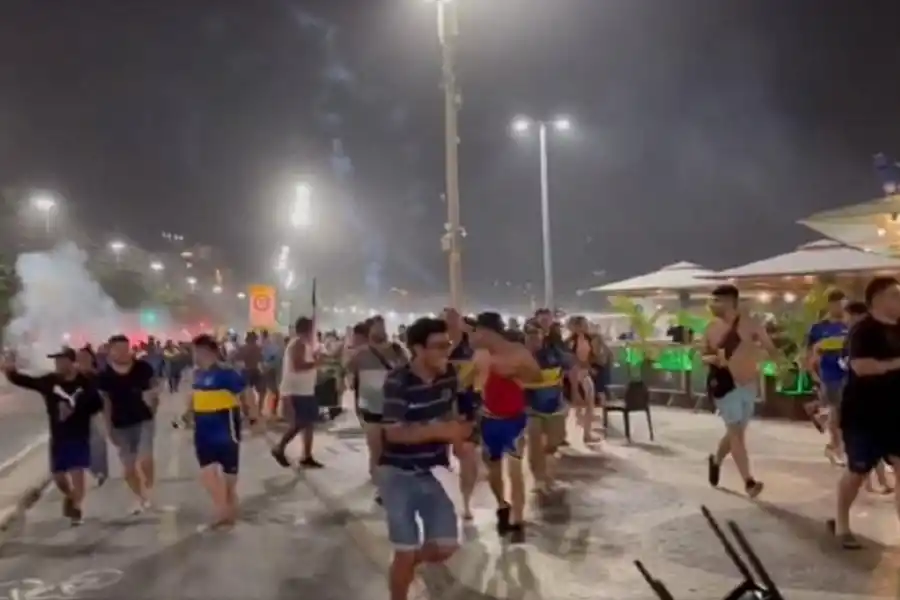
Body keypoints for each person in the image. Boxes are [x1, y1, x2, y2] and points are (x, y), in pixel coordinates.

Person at [378, 317, 470, 600]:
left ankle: (406, 563)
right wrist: (439, 431)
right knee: (404, 553)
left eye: (448, 345)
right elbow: (393, 433)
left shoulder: (449, 376)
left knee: (446, 546)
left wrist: (459, 440)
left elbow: (453, 415)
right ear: (418, 349)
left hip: (435, 472)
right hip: (398, 474)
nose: (445, 351)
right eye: (439, 346)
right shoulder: (398, 380)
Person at [829, 277, 900, 549]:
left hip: (897, 414)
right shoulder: (863, 331)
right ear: (878, 299)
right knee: (857, 472)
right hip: (864, 415)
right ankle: (842, 522)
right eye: (895, 294)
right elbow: (861, 367)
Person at [4, 348, 101, 526]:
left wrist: (78, 408)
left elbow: (97, 404)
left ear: (72, 362)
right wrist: (10, 371)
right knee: (59, 478)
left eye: (61, 361)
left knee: (77, 471)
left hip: (79, 434)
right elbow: (26, 381)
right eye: (56, 361)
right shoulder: (49, 381)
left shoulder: (85, 382)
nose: (58, 365)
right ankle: (71, 496)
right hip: (59, 436)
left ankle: (77, 509)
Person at [470, 311, 541, 543]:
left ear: (487, 331)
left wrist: (515, 373)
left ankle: (517, 518)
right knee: (493, 470)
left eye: (477, 331)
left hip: (515, 420)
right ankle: (502, 505)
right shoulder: (479, 356)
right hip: (490, 421)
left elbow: (537, 376)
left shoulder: (518, 353)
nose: (474, 336)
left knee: (515, 470)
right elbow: (465, 383)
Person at [703, 285, 779, 498]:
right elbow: (702, 355)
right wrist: (714, 359)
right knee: (736, 433)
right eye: (712, 300)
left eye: (717, 301)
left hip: (748, 384)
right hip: (725, 386)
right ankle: (749, 481)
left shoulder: (750, 323)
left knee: (736, 432)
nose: (712, 305)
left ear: (730, 302)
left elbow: (770, 347)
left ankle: (716, 460)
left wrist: (777, 361)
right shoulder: (710, 328)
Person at [191, 334, 261, 530]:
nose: (194, 355)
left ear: (208, 352)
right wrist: (187, 415)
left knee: (229, 482)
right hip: (202, 431)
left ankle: (228, 510)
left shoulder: (226, 373)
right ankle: (221, 511)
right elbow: (195, 397)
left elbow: (246, 392)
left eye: (197, 351)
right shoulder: (197, 374)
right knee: (207, 474)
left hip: (225, 430)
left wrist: (254, 417)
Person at [345, 315, 408, 503]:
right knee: (377, 450)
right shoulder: (360, 354)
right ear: (370, 331)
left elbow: (409, 373)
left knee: (393, 449)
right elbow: (348, 376)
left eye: (382, 327)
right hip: (370, 409)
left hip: (393, 408)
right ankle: (382, 488)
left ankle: (390, 484)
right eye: (376, 328)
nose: (380, 332)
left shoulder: (398, 351)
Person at [97, 334, 159, 514]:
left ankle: (149, 487)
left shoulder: (142, 368)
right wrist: (108, 428)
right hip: (120, 424)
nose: (124, 353)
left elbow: (153, 387)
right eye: (119, 349)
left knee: (145, 458)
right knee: (128, 468)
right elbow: (106, 403)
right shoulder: (105, 376)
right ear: (110, 351)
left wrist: (153, 404)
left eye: (127, 348)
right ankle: (141, 497)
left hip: (143, 419)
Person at [522, 320, 569, 493]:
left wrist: (569, 400)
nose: (534, 338)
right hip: (530, 408)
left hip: (554, 406)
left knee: (553, 444)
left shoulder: (553, 353)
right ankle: (539, 479)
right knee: (534, 442)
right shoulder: (519, 357)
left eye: (537, 334)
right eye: (530, 334)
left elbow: (569, 371)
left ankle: (549, 476)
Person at [443, 307, 481, 519]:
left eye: (453, 320)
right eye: (446, 320)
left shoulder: (473, 345)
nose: (450, 324)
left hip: (468, 407)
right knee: (438, 462)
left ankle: (466, 502)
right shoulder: (433, 345)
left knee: (469, 456)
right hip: (439, 410)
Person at [271, 317, 323, 468]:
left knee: (308, 424)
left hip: (306, 390)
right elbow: (297, 366)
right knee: (300, 422)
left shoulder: (305, 344)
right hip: (296, 391)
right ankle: (279, 447)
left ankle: (306, 456)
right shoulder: (297, 344)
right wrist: (317, 363)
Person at [805, 289, 849, 466]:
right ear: (830, 305)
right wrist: (812, 373)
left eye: (843, 303)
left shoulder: (850, 325)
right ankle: (836, 447)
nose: (840, 307)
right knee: (836, 411)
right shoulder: (819, 328)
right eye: (837, 303)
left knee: (842, 413)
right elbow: (809, 353)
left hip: (850, 373)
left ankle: (818, 413)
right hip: (829, 374)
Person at [75, 347, 108, 486]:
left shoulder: (98, 375)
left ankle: (101, 472)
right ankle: (90, 471)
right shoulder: (73, 375)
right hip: (77, 416)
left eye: (85, 357)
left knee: (98, 443)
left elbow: (106, 393)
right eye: (79, 357)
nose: (82, 360)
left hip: (95, 414)